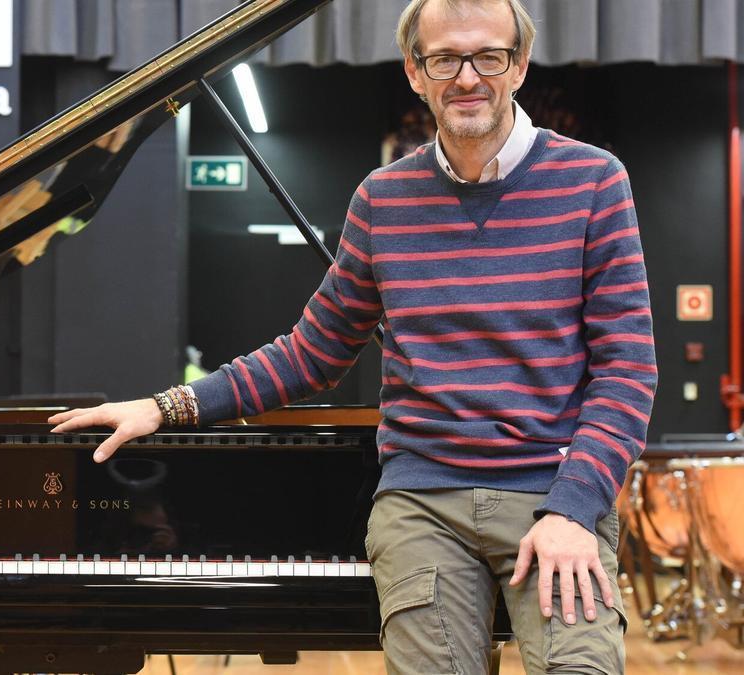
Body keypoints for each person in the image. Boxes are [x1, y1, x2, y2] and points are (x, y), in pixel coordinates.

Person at [49, 0, 655, 672]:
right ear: (414, 71)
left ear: (518, 65)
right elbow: (311, 353)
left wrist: (575, 507)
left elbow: (627, 371)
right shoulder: (382, 199)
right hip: (425, 502)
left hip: (554, 486)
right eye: (444, 58)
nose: (467, 77)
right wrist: (164, 406)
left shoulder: (595, 181)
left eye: (488, 55)